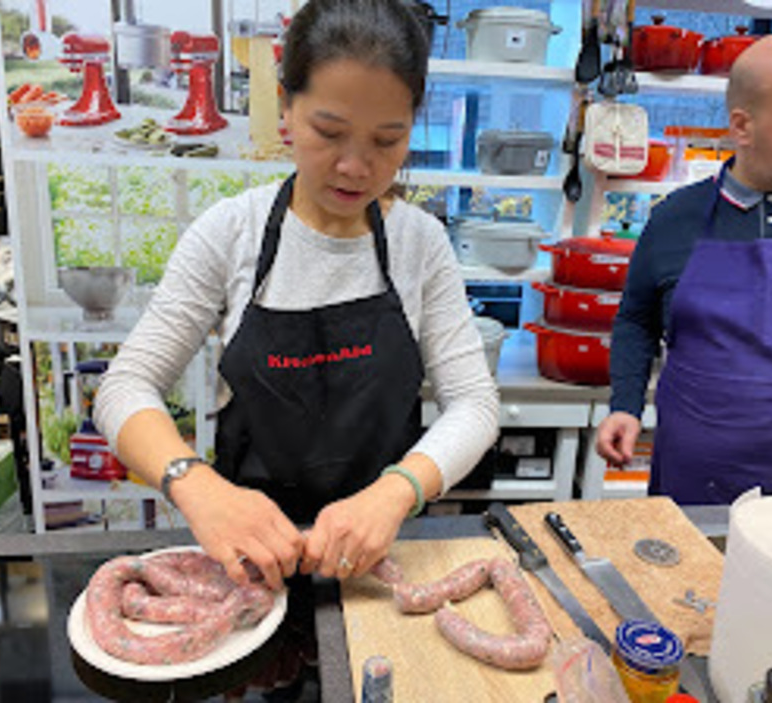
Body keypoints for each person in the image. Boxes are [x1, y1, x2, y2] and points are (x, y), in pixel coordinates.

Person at [94, 0, 499, 591]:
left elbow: (475, 404)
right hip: (253, 563)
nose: (355, 166)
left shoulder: (420, 242)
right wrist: (197, 485)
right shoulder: (230, 232)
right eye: (329, 133)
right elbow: (124, 387)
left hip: (378, 562)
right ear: (285, 104)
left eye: (387, 140)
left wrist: (398, 491)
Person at [595, 33, 772, 505]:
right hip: (699, 487)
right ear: (742, 126)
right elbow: (636, 319)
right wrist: (625, 405)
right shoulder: (675, 217)